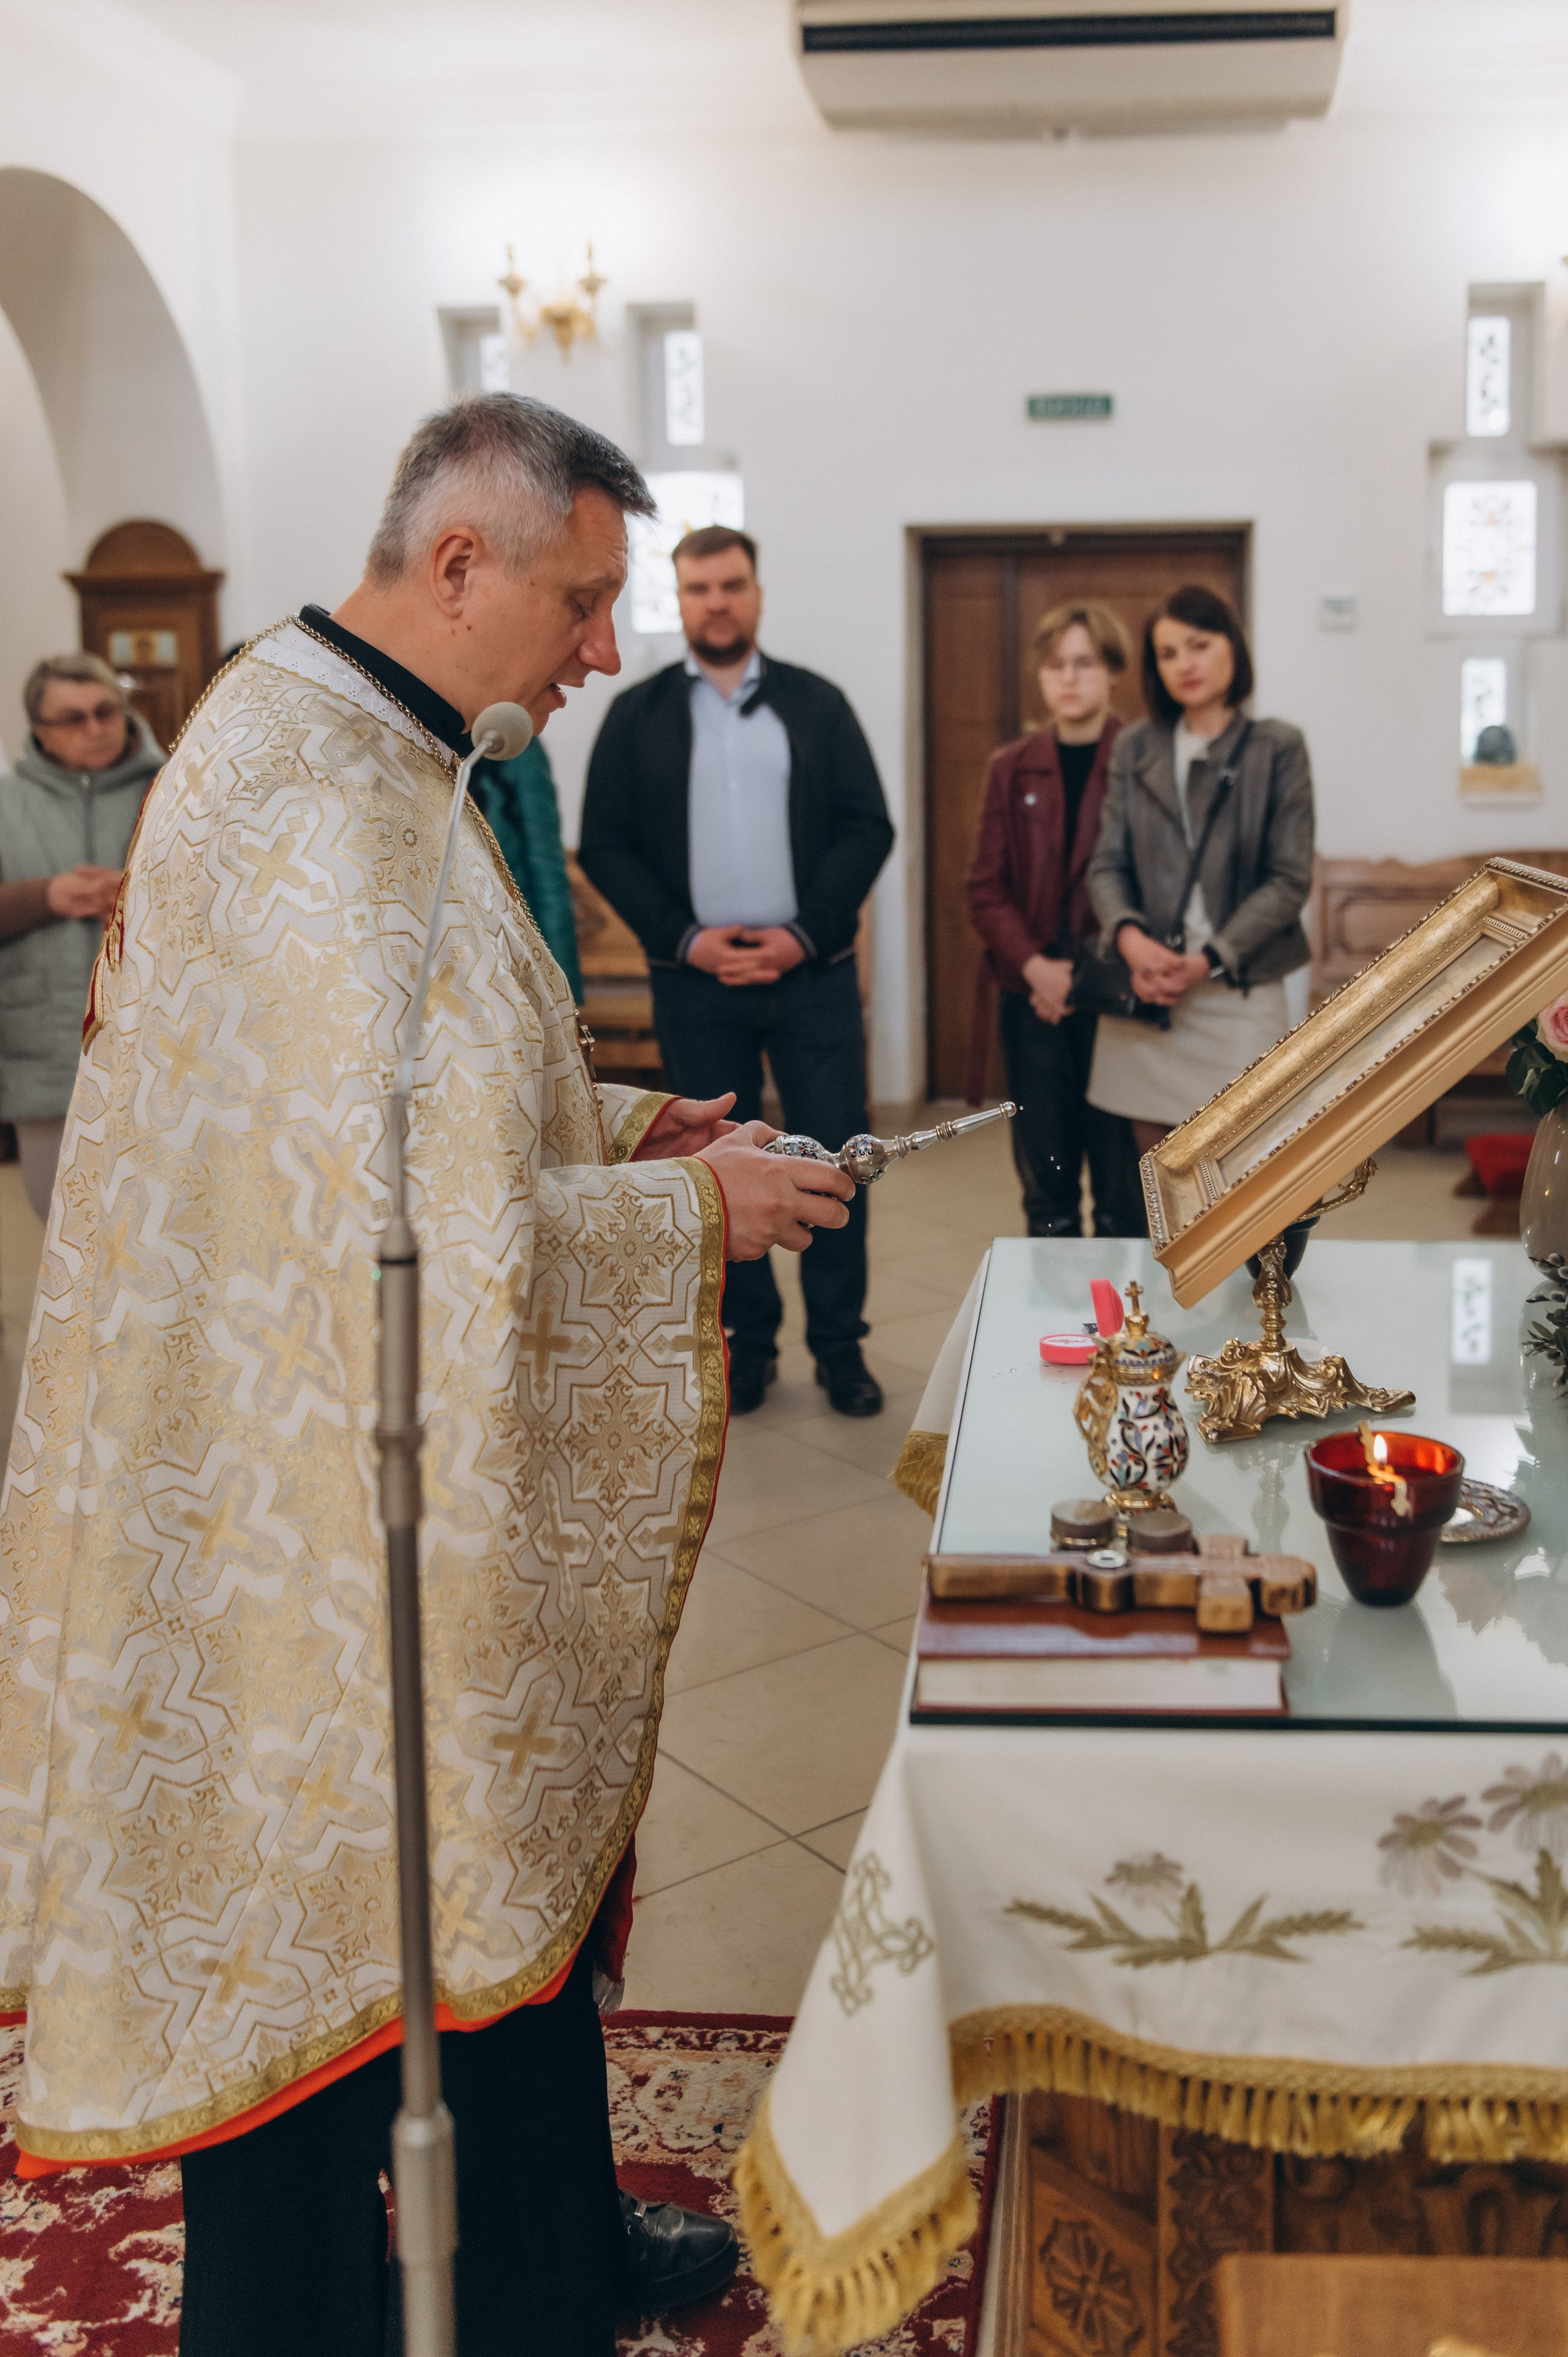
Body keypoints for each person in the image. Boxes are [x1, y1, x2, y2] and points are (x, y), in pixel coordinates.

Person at [0, 393, 855, 2357]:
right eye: (579, 600)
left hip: (372, 1486)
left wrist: (625, 1127)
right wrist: (680, 1221)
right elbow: (376, 1232)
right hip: (299, 1510)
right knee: (349, 1941)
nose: (601, 649)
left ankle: (540, 2250)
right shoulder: (310, 800)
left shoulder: (386, 745)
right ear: (456, 562)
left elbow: (423, 1111)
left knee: (487, 1874)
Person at [579, 526, 894, 1418]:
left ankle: (840, 1346)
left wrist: (802, 932)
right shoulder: (637, 715)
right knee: (725, 1160)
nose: (715, 601)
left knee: (838, 1154)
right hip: (696, 983)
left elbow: (867, 826)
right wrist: (684, 938)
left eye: (731, 585)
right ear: (677, 602)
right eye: (697, 588)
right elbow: (606, 841)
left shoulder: (817, 705)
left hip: (812, 977)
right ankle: (746, 1348)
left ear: (756, 593)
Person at [1085, 584, 1314, 1155]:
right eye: (1167, 654)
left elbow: (1289, 878)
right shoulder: (1136, 746)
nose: (1185, 664)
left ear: (1232, 648)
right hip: (1150, 988)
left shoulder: (1277, 747)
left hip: (1238, 985)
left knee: (1245, 1162)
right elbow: (1107, 864)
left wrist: (1206, 960)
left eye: (1199, 644)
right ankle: (1168, 1254)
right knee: (1159, 1172)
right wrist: (1132, 941)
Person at [965, 601, 1144, 1237]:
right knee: (1048, 1192)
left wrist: (1083, 976)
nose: (1068, 678)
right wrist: (1037, 968)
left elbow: (1153, 887)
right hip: (1031, 1004)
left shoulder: (1142, 761)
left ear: (1113, 671)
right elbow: (985, 888)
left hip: (1120, 1007)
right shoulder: (1009, 769)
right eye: (1055, 664)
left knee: (1128, 1198)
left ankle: (1128, 1335)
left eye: (1085, 663)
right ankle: (1062, 1335)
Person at [0, 654, 162, 1219]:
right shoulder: (7, 804)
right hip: (46, 1056)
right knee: (61, 1232)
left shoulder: (176, 787)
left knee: (155, 1233)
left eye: (104, 712)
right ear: (40, 733)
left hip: (158, 1050)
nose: (94, 729)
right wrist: (46, 897)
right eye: (72, 719)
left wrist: (142, 894)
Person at [469, 731, 584, 1000]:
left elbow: (548, 876)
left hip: (512, 957)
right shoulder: (410, 730)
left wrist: (564, 992)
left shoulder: (517, 746)